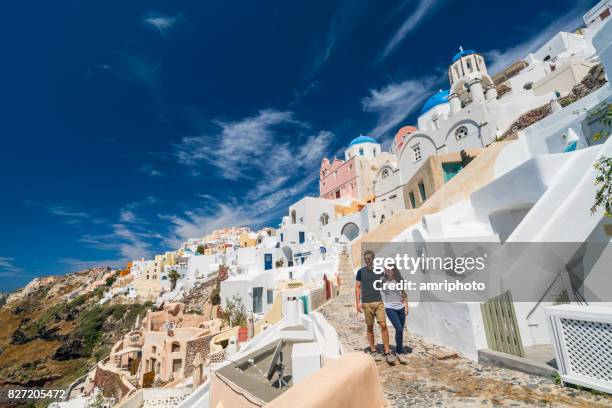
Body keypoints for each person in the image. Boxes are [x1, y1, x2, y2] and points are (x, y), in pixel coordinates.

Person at [355, 250, 396, 365]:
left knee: (383, 325)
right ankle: (373, 350)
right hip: (366, 303)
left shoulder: (379, 271)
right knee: (369, 326)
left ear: (373, 259)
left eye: (369, 258)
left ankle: (387, 352)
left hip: (378, 302)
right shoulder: (360, 272)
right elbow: (358, 287)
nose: (367, 260)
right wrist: (357, 303)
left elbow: (389, 276)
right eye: (366, 259)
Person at [381, 264, 410, 364]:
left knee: (400, 330)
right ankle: (400, 352)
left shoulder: (399, 280)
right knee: (398, 328)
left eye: (388, 268)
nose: (386, 270)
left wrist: (406, 306)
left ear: (393, 269)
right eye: (385, 269)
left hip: (400, 308)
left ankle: (399, 350)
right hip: (390, 308)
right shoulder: (383, 280)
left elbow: (404, 294)